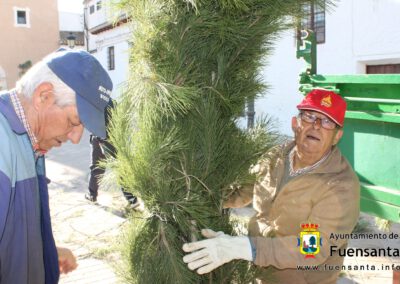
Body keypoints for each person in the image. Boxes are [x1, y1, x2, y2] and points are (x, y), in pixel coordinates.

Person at [182, 89, 360, 284]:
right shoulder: (276, 156)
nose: (316, 126)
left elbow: (312, 248)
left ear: (337, 136)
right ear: (295, 124)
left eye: (327, 122)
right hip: (258, 274)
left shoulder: (340, 186)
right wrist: (193, 196)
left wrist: (244, 247)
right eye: (310, 116)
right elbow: (241, 191)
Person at [0, 49, 113, 283]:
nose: (75, 138)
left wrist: (46, 252)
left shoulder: (32, 141)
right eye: (74, 122)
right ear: (44, 96)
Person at [85, 100, 139, 209]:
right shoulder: (109, 99)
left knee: (98, 167)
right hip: (114, 136)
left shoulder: (94, 99)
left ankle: (92, 195)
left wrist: (99, 138)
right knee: (120, 167)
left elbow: (93, 121)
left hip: (101, 137)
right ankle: (132, 199)